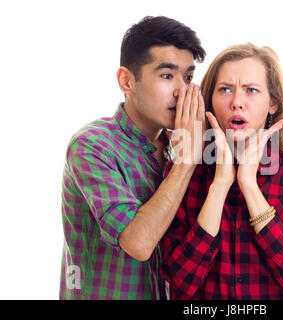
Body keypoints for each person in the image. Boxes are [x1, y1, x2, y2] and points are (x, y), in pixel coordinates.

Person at [161, 43, 283, 299]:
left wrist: (249, 185)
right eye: (225, 90)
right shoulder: (185, 170)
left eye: (251, 90)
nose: (237, 103)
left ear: (273, 103)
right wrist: (219, 186)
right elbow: (180, 282)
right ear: (210, 101)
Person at [59, 16, 206, 300]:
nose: (182, 90)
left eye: (188, 77)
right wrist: (187, 159)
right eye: (167, 75)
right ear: (127, 81)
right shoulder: (92, 145)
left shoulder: (176, 147)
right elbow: (138, 243)